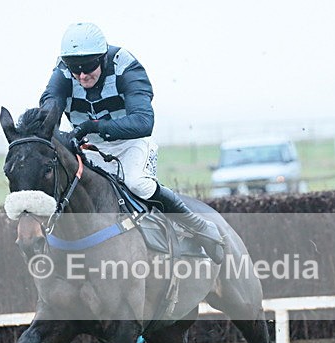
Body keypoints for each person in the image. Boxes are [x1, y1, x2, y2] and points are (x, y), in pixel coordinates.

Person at [39, 22, 224, 264]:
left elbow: (143, 122)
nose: (82, 76)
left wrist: (93, 126)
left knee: (137, 183)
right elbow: (49, 107)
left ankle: (200, 227)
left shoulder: (126, 66)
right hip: (90, 146)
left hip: (132, 143)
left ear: (103, 58)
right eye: (76, 70)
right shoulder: (62, 72)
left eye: (89, 69)